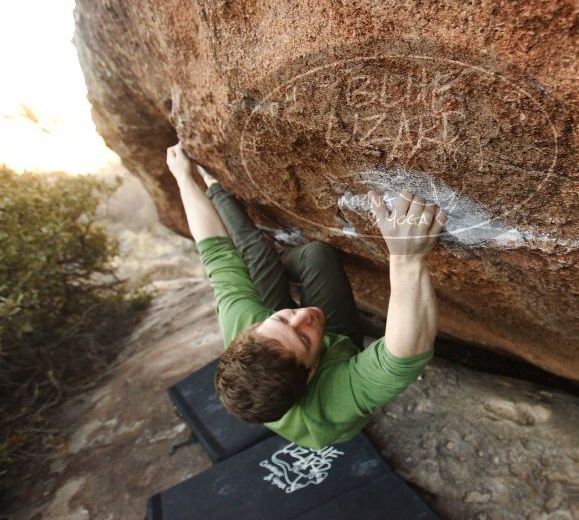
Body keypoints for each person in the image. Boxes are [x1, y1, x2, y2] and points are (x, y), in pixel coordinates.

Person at [165, 141, 447, 449]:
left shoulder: (242, 322)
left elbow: (216, 251)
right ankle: (277, 285)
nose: (304, 314)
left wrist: (182, 176)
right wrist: (406, 258)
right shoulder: (331, 400)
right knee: (309, 267)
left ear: (250, 330)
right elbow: (403, 357)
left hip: (284, 332)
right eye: (303, 338)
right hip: (335, 353)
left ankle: (274, 274)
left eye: (284, 319)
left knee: (311, 256)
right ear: (313, 373)